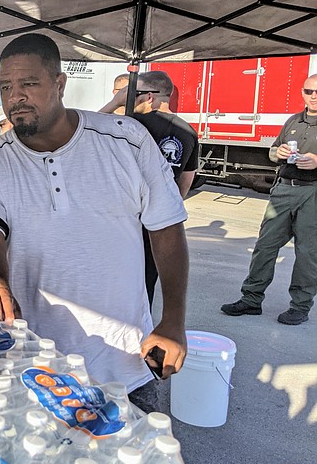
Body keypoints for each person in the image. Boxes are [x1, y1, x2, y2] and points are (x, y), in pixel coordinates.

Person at [0, 34, 189, 412]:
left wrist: (173, 321)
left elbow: (166, 230)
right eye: (5, 87)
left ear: (60, 83)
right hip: (34, 365)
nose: (15, 96)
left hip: (126, 362)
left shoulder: (127, 140)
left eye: (28, 84)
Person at [221, 74, 317, 325]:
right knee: (265, 246)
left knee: (307, 253)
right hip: (284, 190)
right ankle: (251, 299)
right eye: (309, 91)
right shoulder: (293, 120)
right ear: (302, 92)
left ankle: (300, 306)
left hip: (313, 192)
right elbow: (273, 151)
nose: (314, 96)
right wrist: (279, 152)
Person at [100, 70, 198, 307]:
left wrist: (115, 102)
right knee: (147, 283)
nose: (130, 99)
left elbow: (85, 131)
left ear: (150, 97)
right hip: (158, 222)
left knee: (114, 283)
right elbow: (186, 180)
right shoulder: (189, 132)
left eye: (134, 94)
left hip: (123, 218)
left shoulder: (131, 125)